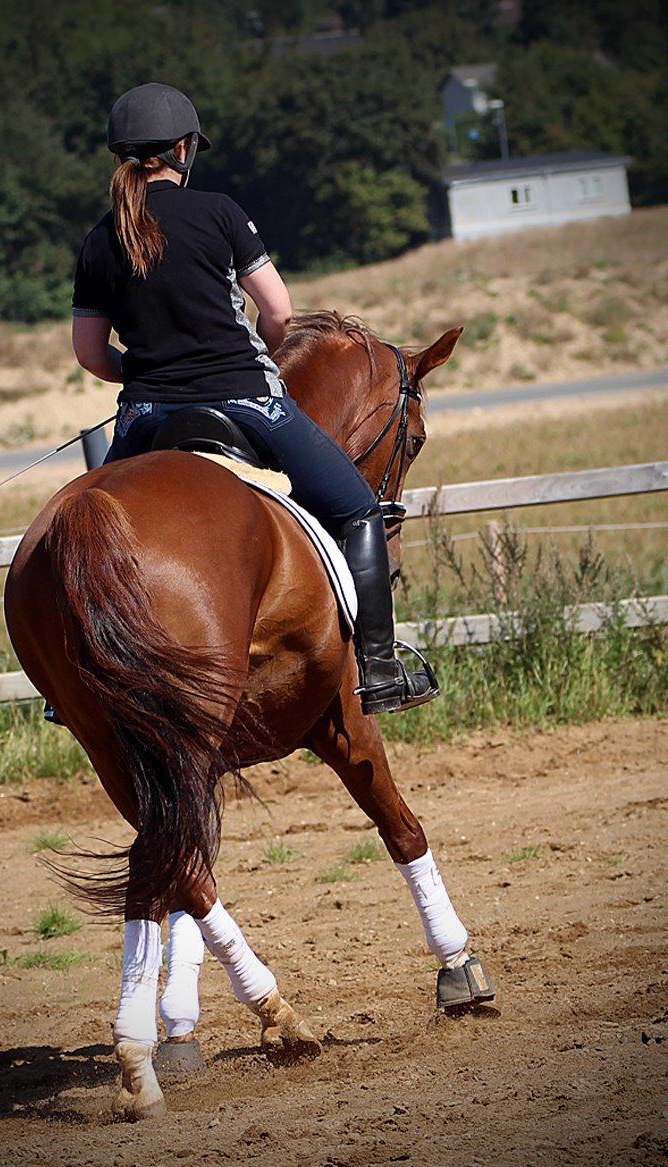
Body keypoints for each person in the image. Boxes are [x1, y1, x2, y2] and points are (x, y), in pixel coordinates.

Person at [66, 82, 437, 717]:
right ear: (183, 149)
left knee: (88, 539)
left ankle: (71, 685)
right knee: (355, 508)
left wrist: (150, 370)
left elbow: (91, 355)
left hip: (146, 415)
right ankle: (379, 666)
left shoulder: (101, 239)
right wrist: (256, 351)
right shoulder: (219, 212)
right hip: (246, 400)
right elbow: (280, 310)